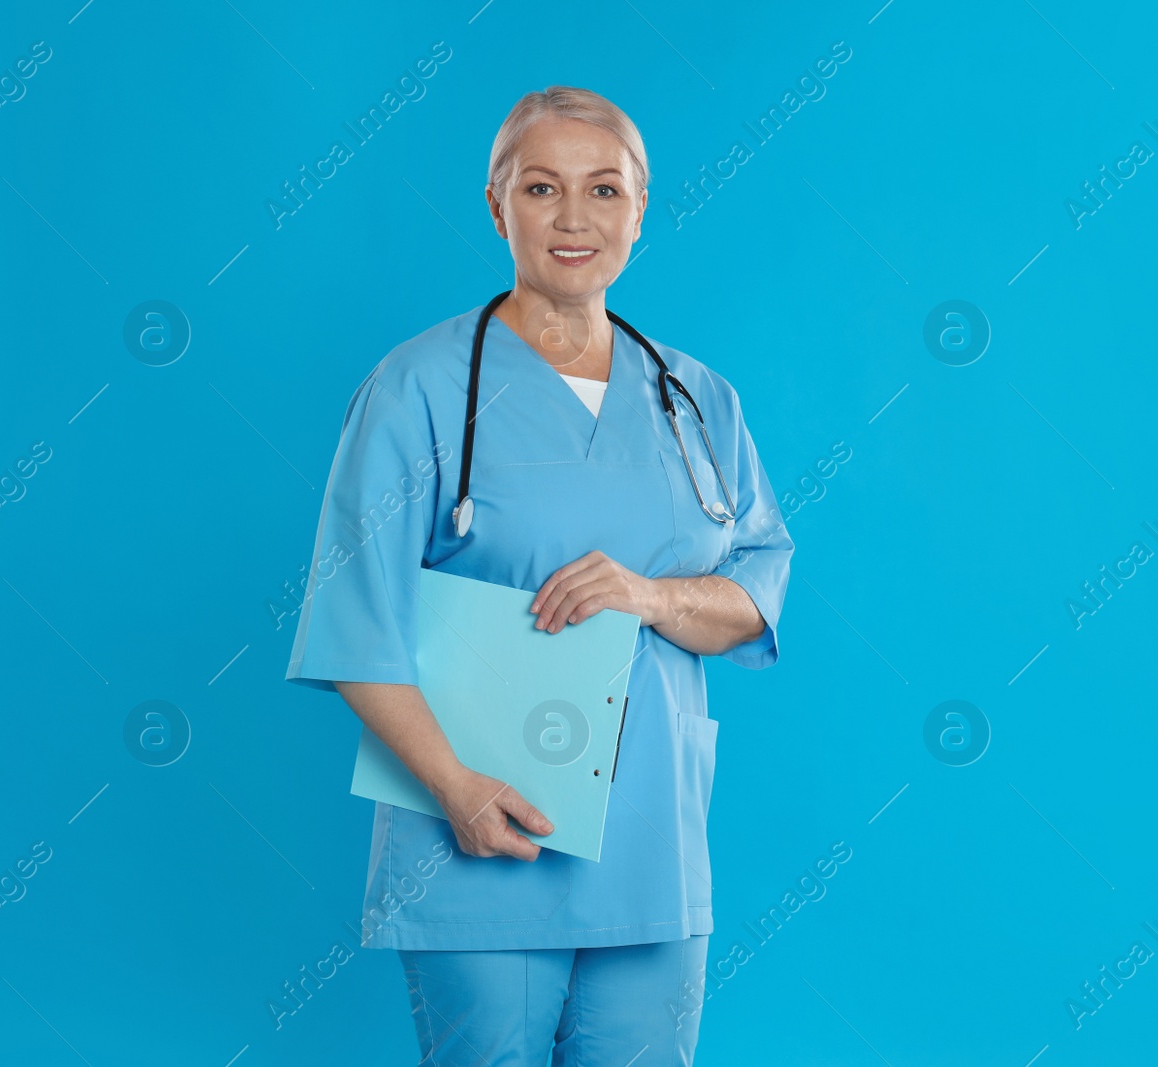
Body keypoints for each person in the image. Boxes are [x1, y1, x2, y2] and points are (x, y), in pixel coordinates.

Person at [283, 85, 794, 1065]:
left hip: (653, 848)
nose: (573, 218)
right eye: (541, 187)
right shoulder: (416, 390)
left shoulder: (698, 401)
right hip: (480, 835)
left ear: (641, 210)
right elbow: (355, 622)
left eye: (603, 190)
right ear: (495, 205)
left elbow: (752, 594)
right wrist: (454, 789)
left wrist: (649, 595)